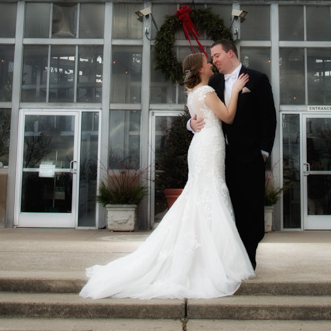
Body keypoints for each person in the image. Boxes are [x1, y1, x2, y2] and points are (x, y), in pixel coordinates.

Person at [80, 53, 254, 299]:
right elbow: (227, 116)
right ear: (200, 69)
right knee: (209, 192)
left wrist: (193, 123)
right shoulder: (206, 92)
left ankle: (207, 255)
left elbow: (204, 117)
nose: (210, 64)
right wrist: (235, 90)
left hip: (203, 145)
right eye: (207, 62)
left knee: (202, 194)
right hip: (208, 146)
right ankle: (213, 260)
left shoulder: (194, 93)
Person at [191, 39, 277, 269]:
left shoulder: (257, 79)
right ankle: (227, 260)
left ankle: (248, 259)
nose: (213, 60)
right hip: (219, 157)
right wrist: (191, 124)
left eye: (216, 55)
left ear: (230, 53)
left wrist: (263, 152)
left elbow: (268, 118)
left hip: (251, 157)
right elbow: (198, 108)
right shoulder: (212, 83)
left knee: (251, 208)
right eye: (211, 57)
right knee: (225, 207)